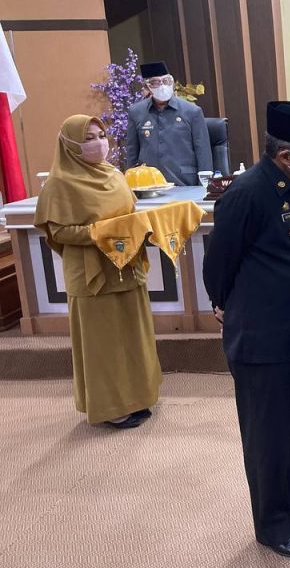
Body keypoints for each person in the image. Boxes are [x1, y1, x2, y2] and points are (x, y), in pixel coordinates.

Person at [203, 101, 290, 559]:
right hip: (263, 337)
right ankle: (273, 523)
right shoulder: (247, 193)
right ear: (286, 155)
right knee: (269, 436)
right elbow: (218, 262)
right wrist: (225, 304)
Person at [34, 115, 161, 429]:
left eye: (102, 136)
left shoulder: (114, 175)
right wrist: (101, 233)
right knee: (104, 344)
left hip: (125, 266)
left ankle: (138, 397)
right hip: (92, 274)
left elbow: (130, 214)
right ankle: (111, 408)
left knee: (133, 336)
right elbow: (58, 231)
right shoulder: (60, 183)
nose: (99, 143)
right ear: (70, 144)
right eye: (88, 138)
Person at [124, 61, 212, 186]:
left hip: (184, 183)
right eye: (156, 82)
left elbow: (203, 151)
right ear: (148, 87)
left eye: (166, 81)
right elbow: (132, 152)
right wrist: (130, 184)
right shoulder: (136, 112)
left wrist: (204, 186)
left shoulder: (192, 111)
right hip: (149, 184)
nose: (162, 86)